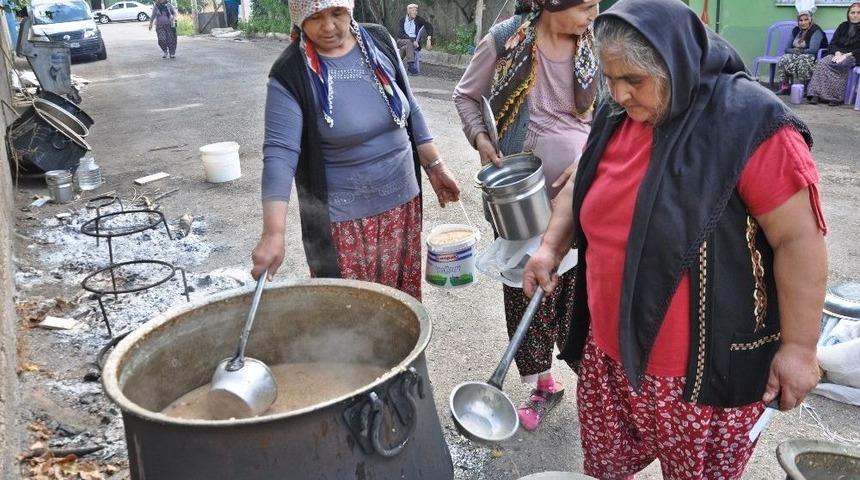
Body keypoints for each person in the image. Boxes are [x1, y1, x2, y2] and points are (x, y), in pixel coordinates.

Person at [523, 0, 828, 477]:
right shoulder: (617, 113)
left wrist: (800, 349)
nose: (619, 94)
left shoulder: (749, 124)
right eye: (610, 79)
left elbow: (800, 242)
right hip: (610, 357)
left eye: (634, 81)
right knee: (607, 468)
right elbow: (582, 179)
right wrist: (550, 247)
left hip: (697, 380)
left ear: (676, 64)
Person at [453, 0, 599, 431]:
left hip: (580, 199)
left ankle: (591, 385)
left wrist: (590, 159)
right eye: (586, 5)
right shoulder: (505, 41)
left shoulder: (596, 45)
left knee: (579, 295)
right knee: (526, 292)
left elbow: (612, 114)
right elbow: (465, 96)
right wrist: (480, 137)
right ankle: (544, 384)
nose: (593, 14)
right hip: (522, 199)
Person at [250, 0, 460, 300]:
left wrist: (436, 166)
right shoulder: (291, 73)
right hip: (343, 224)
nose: (329, 26)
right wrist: (273, 233)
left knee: (402, 308)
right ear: (299, 19)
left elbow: (410, 108)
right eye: (315, 17)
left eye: (337, 13)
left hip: (402, 208)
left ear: (349, 9)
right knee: (352, 316)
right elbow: (280, 155)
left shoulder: (379, 42)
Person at [807, 2, 860, 105]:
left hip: (853, 56)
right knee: (822, 62)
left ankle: (835, 98)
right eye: (852, 12)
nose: (855, 15)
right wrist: (837, 53)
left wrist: (847, 55)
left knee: (841, 64)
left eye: (858, 12)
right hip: (837, 53)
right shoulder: (843, 26)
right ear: (848, 14)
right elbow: (833, 43)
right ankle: (816, 94)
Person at [776, 10, 827, 93]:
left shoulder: (816, 30)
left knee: (802, 60)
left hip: (815, 56)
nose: (803, 22)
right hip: (799, 53)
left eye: (806, 19)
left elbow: (813, 50)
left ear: (810, 20)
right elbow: (786, 49)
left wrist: (797, 51)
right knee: (784, 58)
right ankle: (785, 86)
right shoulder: (796, 30)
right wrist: (796, 51)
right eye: (801, 20)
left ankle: (802, 88)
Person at [396, 4, 433, 74]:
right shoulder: (402, 20)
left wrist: (429, 38)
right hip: (401, 40)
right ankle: (410, 65)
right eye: (413, 10)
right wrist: (412, 40)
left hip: (413, 43)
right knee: (409, 42)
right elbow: (400, 34)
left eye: (416, 10)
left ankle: (396, 62)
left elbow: (429, 26)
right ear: (408, 11)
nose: (415, 12)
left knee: (405, 47)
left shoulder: (418, 20)